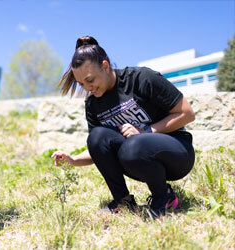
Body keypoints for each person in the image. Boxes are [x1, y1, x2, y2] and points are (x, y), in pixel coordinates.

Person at [51, 36, 195, 218]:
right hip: (135, 157)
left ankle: (163, 198)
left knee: (133, 145)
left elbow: (187, 113)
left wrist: (146, 132)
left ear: (105, 65)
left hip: (177, 153)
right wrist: (73, 160)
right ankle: (123, 201)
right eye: (81, 84)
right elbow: (100, 149)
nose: (88, 88)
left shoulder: (141, 78)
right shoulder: (93, 104)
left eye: (90, 80)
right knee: (97, 136)